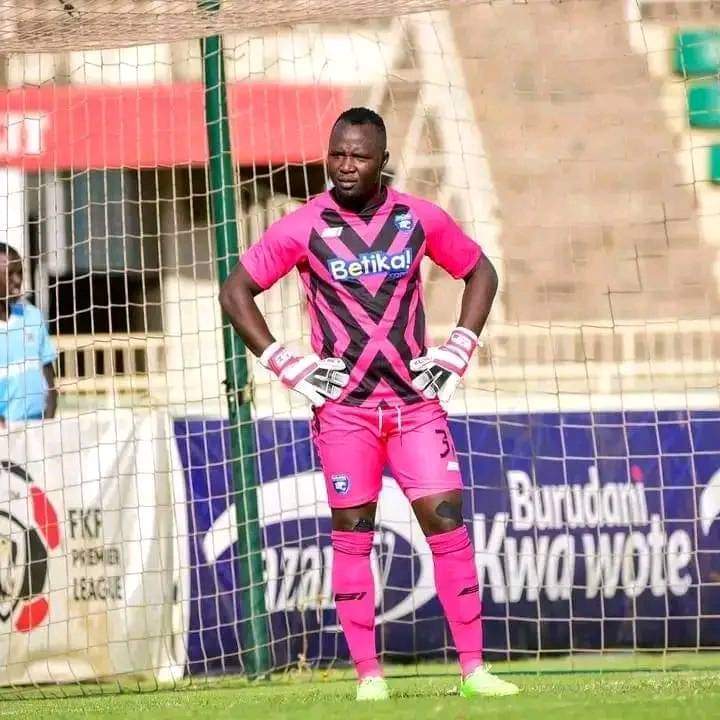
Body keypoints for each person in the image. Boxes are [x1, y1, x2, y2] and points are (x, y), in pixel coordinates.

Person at [219, 107, 518, 701]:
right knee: (353, 533)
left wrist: (459, 348)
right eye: (336, 154)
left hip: (415, 406)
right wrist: (286, 363)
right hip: (345, 413)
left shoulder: (419, 218)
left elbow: (480, 270)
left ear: (383, 161)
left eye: (358, 156)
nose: (345, 165)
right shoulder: (303, 226)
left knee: (448, 524)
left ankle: (475, 670)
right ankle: (369, 678)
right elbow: (236, 291)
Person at [0, 243, 57, 424]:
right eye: (9, 275)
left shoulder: (32, 315)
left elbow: (49, 375)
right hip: (6, 431)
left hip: (39, 426)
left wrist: (49, 414)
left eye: (20, 273)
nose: (17, 280)